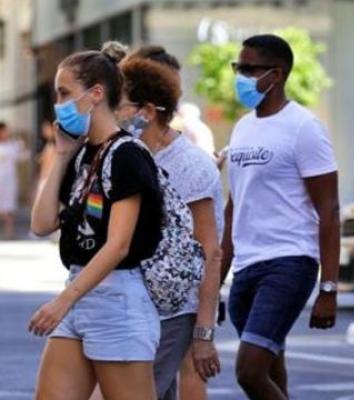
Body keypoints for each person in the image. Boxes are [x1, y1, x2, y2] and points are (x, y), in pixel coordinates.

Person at [28, 42, 163, 400]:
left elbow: (118, 245)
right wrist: (60, 155)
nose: (58, 103)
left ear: (96, 93)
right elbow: (41, 224)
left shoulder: (128, 155)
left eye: (64, 92)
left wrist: (62, 301)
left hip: (117, 299)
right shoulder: (81, 155)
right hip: (79, 290)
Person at [221, 34, 340, 400]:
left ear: (277, 73)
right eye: (237, 67)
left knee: (250, 371)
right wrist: (216, 278)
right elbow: (233, 206)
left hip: (289, 263)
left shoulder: (304, 127)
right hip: (246, 266)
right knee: (272, 368)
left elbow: (330, 210)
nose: (240, 76)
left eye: (249, 68)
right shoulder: (242, 127)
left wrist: (328, 288)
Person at [119, 46, 224, 400]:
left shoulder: (191, 166)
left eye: (120, 106)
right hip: (129, 306)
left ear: (147, 112)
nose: (113, 114)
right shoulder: (124, 153)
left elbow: (210, 251)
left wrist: (204, 334)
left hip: (173, 311)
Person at [0, 121, 28, 239]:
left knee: (9, 206)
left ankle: (9, 232)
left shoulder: (12, 145)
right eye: (3, 131)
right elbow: (3, 155)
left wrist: (21, 146)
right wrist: (17, 147)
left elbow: (23, 156)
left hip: (10, 180)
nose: (6, 133)